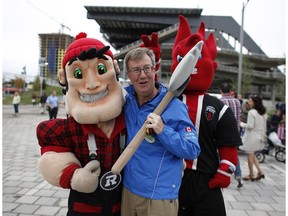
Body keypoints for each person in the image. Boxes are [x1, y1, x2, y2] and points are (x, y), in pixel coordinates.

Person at [171, 16, 242, 216]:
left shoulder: (219, 108)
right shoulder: (167, 101)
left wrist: (224, 171)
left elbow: (227, 144)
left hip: (206, 178)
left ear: (213, 66)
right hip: (172, 177)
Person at [121, 47, 200, 216]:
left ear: (154, 70)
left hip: (158, 197)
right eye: (136, 70)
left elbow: (192, 149)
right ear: (128, 74)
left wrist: (163, 130)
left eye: (147, 68)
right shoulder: (126, 100)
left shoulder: (174, 106)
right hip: (128, 190)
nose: (142, 75)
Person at [219, 83, 243, 188]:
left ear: (221, 90)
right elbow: (239, 117)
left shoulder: (220, 101)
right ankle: (238, 177)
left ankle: (221, 175)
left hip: (223, 133)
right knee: (234, 155)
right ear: (230, 90)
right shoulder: (237, 102)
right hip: (236, 133)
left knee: (221, 155)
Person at [240, 95, 267, 181]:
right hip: (259, 136)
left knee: (250, 155)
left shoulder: (252, 112)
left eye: (251, 101)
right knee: (253, 155)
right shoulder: (263, 113)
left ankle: (251, 174)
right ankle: (260, 171)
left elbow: (250, 126)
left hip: (252, 136)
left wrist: (241, 124)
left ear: (255, 103)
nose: (249, 102)